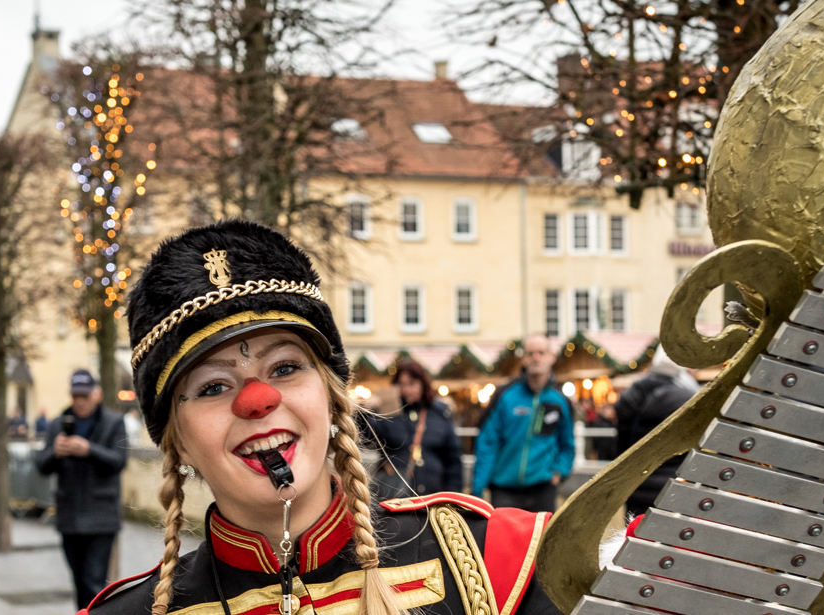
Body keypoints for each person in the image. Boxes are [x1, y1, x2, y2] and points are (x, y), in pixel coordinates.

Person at [86, 220, 556, 615]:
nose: (258, 400)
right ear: (179, 442)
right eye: (212, 387)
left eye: (285, 368)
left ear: (332, 400)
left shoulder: (494, 560)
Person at [36, 369, 128, 609]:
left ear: (96, 394)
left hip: (101, 517)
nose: (79, 401)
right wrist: (55, 452)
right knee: (79, 581)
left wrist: (88, 449)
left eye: (84, 396)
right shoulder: (58, 423)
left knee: (94, 582)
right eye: (76, 396)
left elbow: (119, 461)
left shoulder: (114, 422)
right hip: (69, 515)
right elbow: (42, 465)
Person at [472, 336, 576, 513]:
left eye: (541, 353)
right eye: (530, 353)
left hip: (542, 488)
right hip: (504, 489)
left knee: (541, 540)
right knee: (502, 541)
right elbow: (487, 443)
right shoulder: (505, 396)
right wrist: (477, 489)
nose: (536, 358)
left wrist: (559, 472)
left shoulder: (560, 401)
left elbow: (567, 444)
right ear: (523, 359)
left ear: (552, 357)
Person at [611, 350, 700, 516]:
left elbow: (621, 441)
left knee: (635, 533)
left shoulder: (633, 393)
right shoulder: (686, 398)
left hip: (634, 483)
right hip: (672, 484)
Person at [362, 361, 464, 499]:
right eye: (401, 384)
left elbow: (453, 460)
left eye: (412, 384)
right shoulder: (388, 413)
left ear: (423, 384)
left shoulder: (439, 413)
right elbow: (364, 439)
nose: (406, 390)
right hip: (395, 496)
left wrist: (454, 496)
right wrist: (366, 411)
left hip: (433, 495)